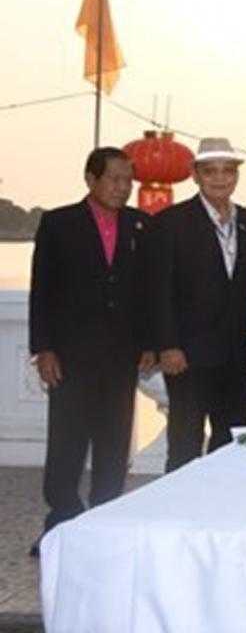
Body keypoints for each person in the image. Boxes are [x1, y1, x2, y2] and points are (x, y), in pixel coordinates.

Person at [29, 147, 156, 552]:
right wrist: (44, 348)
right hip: (70, 355)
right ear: (90, 178)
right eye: (114, 178)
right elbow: (42, 290)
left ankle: (104, 517)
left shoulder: (140, 225)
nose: (122, 187)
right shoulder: (59, 223)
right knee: (67, 439)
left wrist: (151, 342)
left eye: (128, 180)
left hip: (121, 354)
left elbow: (149, 294)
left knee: (113, 440)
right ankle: (61, 520)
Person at [151, 138, 246, 471]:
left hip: (236, 353)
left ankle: (221, 507)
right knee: (185, 439)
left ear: (236, 175)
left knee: (229, 440)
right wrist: (168, 345)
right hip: (188, 354)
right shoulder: (171, 223)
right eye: (211, 171)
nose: (220, 178)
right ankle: (177, 508)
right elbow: (158, 291)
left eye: (228, 170)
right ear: (196, 175)